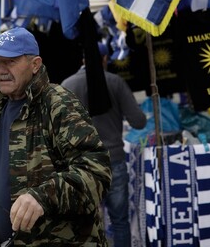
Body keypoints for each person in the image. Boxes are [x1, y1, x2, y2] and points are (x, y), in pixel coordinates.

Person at [0, 27, 112, 246]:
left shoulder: (58, 103)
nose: (1, 70)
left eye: (11, 61)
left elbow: (96, 171)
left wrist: (43, 197)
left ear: (35, 65)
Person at [61, 43, 147, 247]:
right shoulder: (115, 82)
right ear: (105, 59)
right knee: (120, 222)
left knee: (86, 224)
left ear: (83, 59)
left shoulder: (67, 85)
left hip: (81, 165)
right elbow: (139, 121)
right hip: (113, 161)